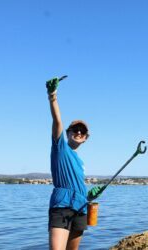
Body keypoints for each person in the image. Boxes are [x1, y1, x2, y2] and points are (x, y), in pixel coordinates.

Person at [46, 77, 101, 250]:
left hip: (81, 207)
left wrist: (89, 196)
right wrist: (52, 96)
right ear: (68, 133)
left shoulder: (81, 162)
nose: (78, 132)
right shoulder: (60, 147)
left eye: (82, 131)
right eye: (75, 130)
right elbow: (57, 122)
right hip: (62, 206)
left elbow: (76, 184)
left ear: (86, 138)